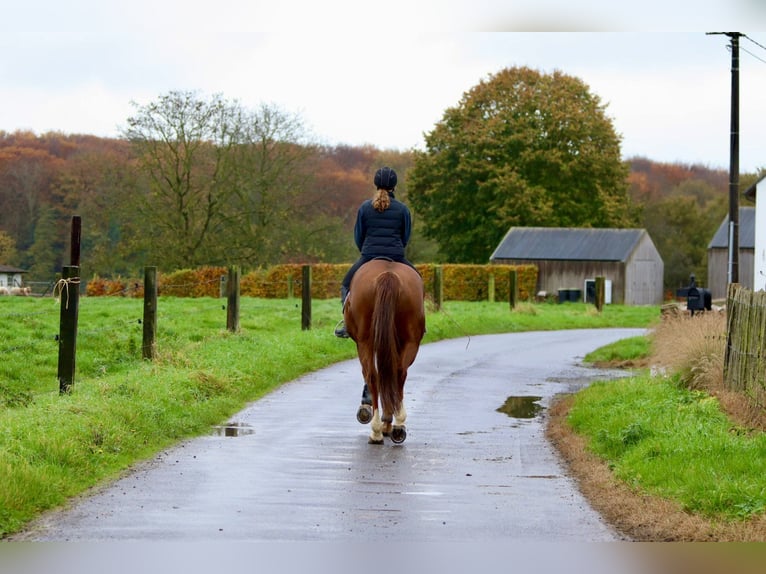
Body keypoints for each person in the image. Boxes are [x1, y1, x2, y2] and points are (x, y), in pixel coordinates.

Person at [334, 166, 417, 338]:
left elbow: (358, 236)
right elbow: (405, 237)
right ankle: (417, 321)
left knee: (346, 284)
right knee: (417, 281)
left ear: (375, 185)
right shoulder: (402, 209)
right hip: (396, 256)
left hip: (369, 255)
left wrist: (367, 252)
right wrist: (396, 250)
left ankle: (347, 325)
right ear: (394, 186)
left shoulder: (365, 208)